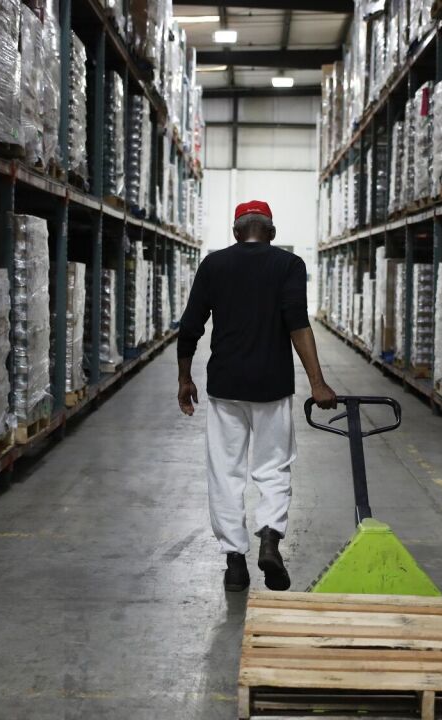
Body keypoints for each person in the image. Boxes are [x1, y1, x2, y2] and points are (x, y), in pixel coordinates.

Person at [176, 200, 337, 593]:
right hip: (272, 384)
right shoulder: (289, 266)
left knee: (225, 472)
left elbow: (190, 325)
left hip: (226, 386)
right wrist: (317, 382)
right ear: (272, 232)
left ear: (235, 233)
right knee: (273, 468)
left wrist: (184, 378)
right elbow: (297, 323)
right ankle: (269, 540)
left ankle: (235, 561)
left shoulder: (214, 265)